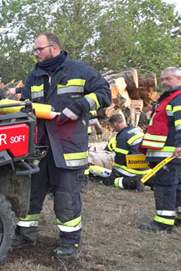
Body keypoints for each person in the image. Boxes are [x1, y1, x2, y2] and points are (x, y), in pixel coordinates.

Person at [13, 32, 111, 258]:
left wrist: (80, 106)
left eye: (39, 49)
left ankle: (70, 241)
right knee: (31, 194)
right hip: (39, 147)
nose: (35, 53)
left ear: (54, 48)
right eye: (35, 50)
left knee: (66, 197)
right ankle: (25, 235)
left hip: (68, 147)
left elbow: (104, 94)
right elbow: (27, 107)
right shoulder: (34, 76)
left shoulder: (80, 70)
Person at [138, 67, 181, 232]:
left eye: (168, 79)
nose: (164, 82)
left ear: (179, 79)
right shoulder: (169, 98)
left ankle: (163, 223)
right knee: (176, 184)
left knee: (165, 186)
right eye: (163, 79)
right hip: (166, 150)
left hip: (171, 151)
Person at [97, 113, 147, 191]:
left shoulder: (123, 137)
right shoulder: (137, 130)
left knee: (109, 180)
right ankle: (148, 180)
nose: (113, 129)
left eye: (112, 126)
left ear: (115, 124)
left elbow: (120, 158)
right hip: (146, 165)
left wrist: (114, 171)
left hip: (134, 168)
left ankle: (133, 182)